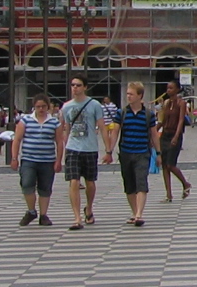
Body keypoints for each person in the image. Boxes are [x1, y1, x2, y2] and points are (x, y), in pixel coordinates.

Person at [104, 81, 155, 227]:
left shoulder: (148, 114)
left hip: (142, 153)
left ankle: (139, 214)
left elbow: (153, 134)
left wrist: (158, 153)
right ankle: (134, 213)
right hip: (126, 152)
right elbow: (115, 132)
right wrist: (109, 151)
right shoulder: (122, 113)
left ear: (140, 95)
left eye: (131, 94)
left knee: (141, 183)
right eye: (127, 94)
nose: (128, 96)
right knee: (129, 185)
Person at [60, 77, 105, 230]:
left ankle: (89, 208)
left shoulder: (95, 105)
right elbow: (65, 128)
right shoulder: (66, 107)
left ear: (85, 87)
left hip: (90, 147)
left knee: (90, 183)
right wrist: (63, 148)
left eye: (78, 85)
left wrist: (108, 149)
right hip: (73, 148)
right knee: (73, 181)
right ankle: (77, 217)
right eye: (72, 85)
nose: (75, 88)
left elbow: (102, 127)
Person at [12, 94, 63, 227]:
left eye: (43, 106)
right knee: (27, 184)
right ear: (34, 107)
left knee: (45, 188)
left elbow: (59, 142)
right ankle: (31, 210)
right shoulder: (25, 120)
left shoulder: (54, 122)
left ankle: (43, 215)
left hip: (47, 160)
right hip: (29, 159)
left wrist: (59, 160)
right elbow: (17, 139)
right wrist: (14, 157)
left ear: (48, 106)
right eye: (38, 106)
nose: (41, 109)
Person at [156, 81, 192, 201]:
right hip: (165, 135)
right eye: (167, 88)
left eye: (171, 88)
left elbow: (181, 120)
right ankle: (168, 195)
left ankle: (185, 183)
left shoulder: (181, 103)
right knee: (165, 166)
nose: (168, 90)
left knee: (171, 164)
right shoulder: (166, 103)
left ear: (177, 89)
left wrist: (176, 136)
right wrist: (154, 131)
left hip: (175, 135)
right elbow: (162, 120)